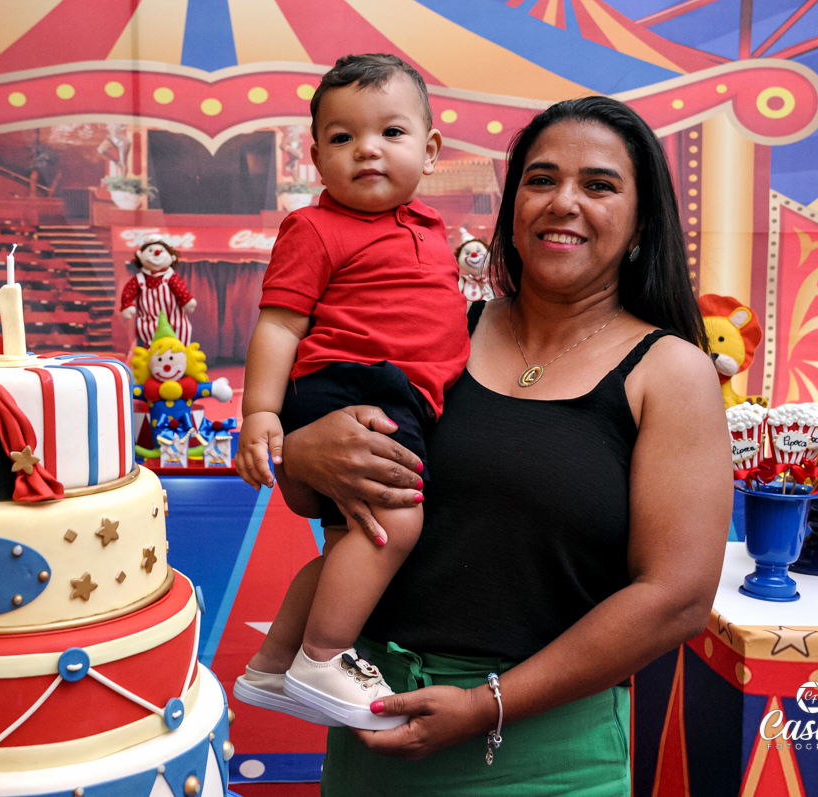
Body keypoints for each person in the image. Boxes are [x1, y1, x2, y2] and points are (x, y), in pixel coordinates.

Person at [274, 96, 732, 794]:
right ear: (513, 208)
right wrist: (301, 453)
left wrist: (486, 705)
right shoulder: (436, 331)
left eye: (599, 185)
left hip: (546, 756)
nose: (563, 202)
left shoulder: (671, 372)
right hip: (372, 732)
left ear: (641, 224)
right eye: (541, 180)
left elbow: (676, 597)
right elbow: (321, 496)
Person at [233, 54, 469, 730]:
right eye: (343, 137)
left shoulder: (430, 228)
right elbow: (280, 325)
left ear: (430, 152)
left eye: (390, 132)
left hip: (402, 395)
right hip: (356, 384)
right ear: (316, 158)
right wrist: (261, 411)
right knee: (397, 522)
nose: (367, 148)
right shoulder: (313, 228)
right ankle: (323, 656)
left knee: (351, 543)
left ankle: (274, 664)